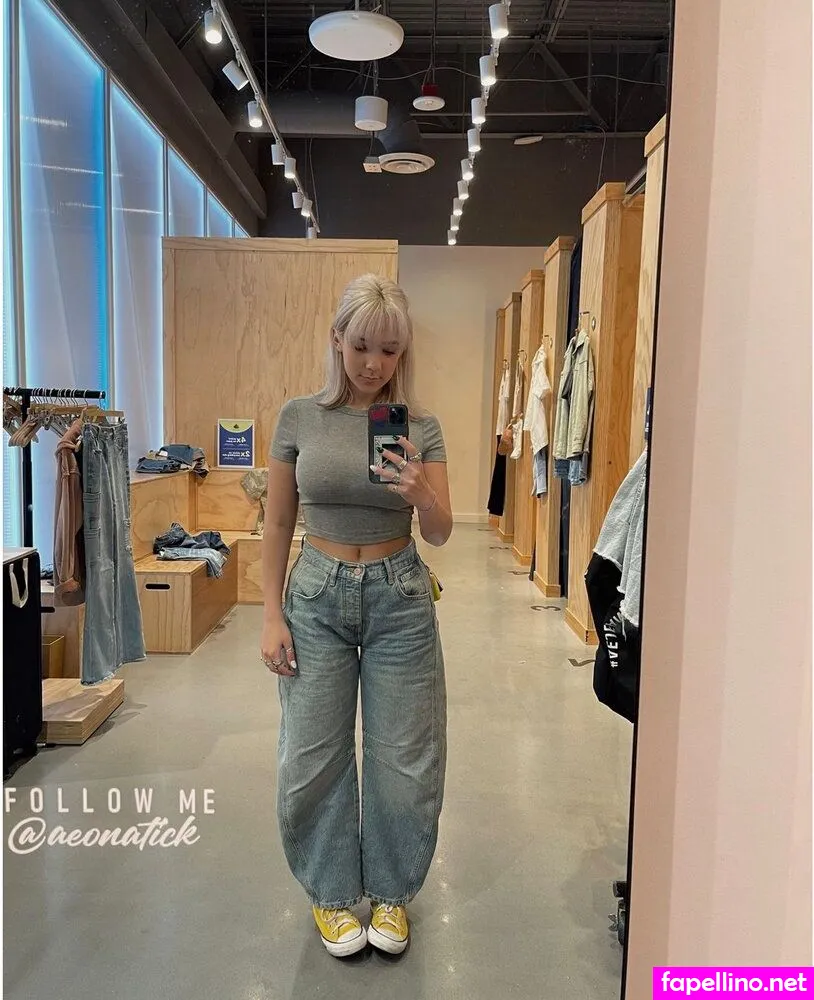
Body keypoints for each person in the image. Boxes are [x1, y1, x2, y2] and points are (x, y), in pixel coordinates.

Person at [261, 273, 453, 958]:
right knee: (312, 753)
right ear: (337, 338)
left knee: (404, 755)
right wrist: (270, 614)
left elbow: (441, 532)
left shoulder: (419, 427)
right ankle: (333, 893)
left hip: (400, 595)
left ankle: (392, 893)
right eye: (363, 345)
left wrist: (421, 491)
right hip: (315, 595)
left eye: (390, 350)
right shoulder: (298, 417)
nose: (374, 364)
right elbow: (277, 521)